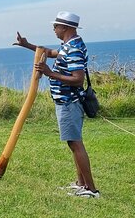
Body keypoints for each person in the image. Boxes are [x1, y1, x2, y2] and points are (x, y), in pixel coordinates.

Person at [14, 11, 99, 198]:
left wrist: (49, 73)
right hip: (65, 101)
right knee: (73, 143)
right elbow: (50, 53)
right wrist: (27, 45)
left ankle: (91, 190)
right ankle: (81, 184)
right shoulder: (69, 45)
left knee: (75, 144)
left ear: (66, 28)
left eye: (56, 26)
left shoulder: (74, 48)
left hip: (69, 102)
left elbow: (77, 79)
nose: (54, 29)